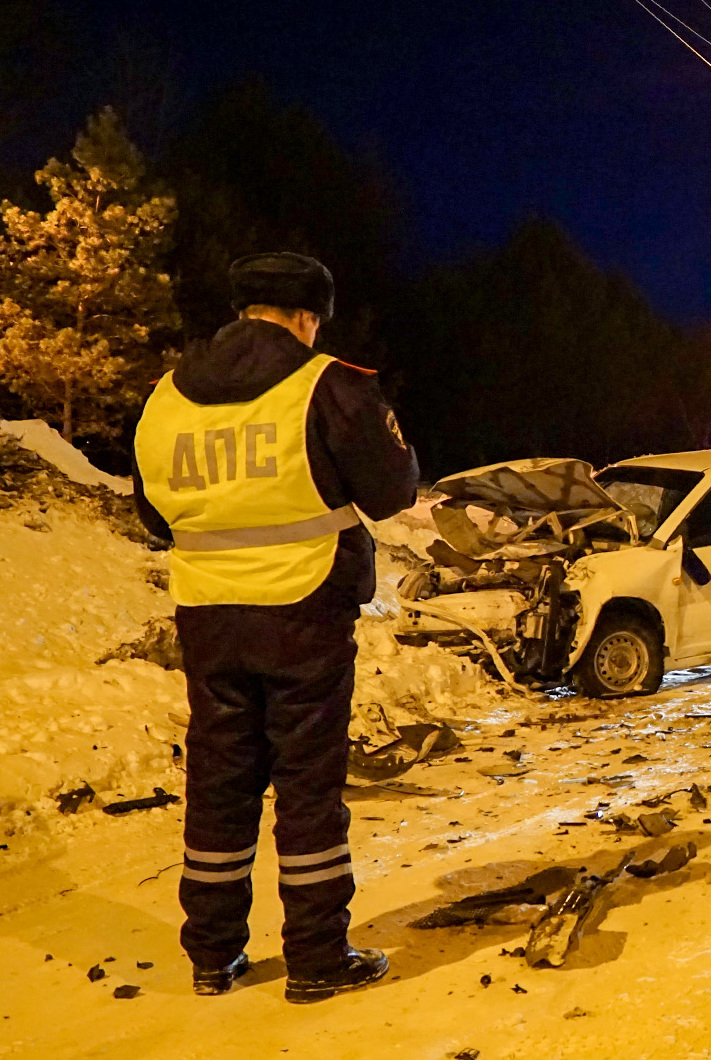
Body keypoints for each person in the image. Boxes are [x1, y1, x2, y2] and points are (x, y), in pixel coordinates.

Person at [131, 253, 419, 1003]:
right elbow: (391, 491)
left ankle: (212, 957)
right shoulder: (327, 385)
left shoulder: (166, 396)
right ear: (304, 316)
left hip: (208, 617)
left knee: (219, 782)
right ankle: (318, 957)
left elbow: (152, 514)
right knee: (306, 786)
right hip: (304, 611)